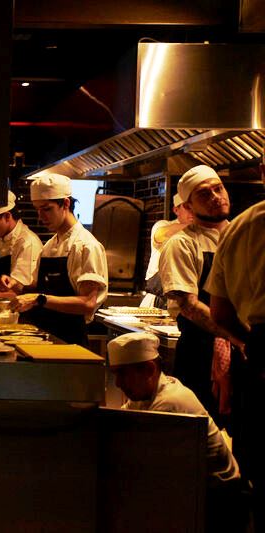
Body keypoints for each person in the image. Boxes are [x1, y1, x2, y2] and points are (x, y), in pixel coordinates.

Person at [107, 332, 243, 533]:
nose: (117, 383)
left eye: (122, 374)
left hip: (218, 502)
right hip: (190, 488)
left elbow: (140, 462)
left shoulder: (169, 402)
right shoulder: (146, 391)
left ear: (150, 369)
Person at [158, 165, 245, 420]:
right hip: (200, 353)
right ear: (189, 205)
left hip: (246, 352)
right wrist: (239, 336)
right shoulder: (182, 243)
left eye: (218, 188)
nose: (215, 197)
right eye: (204, 194)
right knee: (199, 431)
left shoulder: (243, 236)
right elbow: (190, 306)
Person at [206, 165, 265, 530]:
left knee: (256, 471)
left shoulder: (242, 225)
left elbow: (219, 313)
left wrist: (248, 344)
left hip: (258, 353)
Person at [11, 174, 108, 346]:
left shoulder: (86, 245)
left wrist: (38, 299)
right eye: (37, 209)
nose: (41, 216)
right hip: (45, 339)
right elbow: (37, 287)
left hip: (70, 342)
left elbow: (87, 303)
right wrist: (17, 286)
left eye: (47, 209)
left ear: (66, 204)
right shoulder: (49, 245)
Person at [143, 192, 193, 303]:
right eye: (188, 207)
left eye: (195, 207)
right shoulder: (162, 225)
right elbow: (162, 234)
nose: (193, 212)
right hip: (158, 297)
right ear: (176, 210)